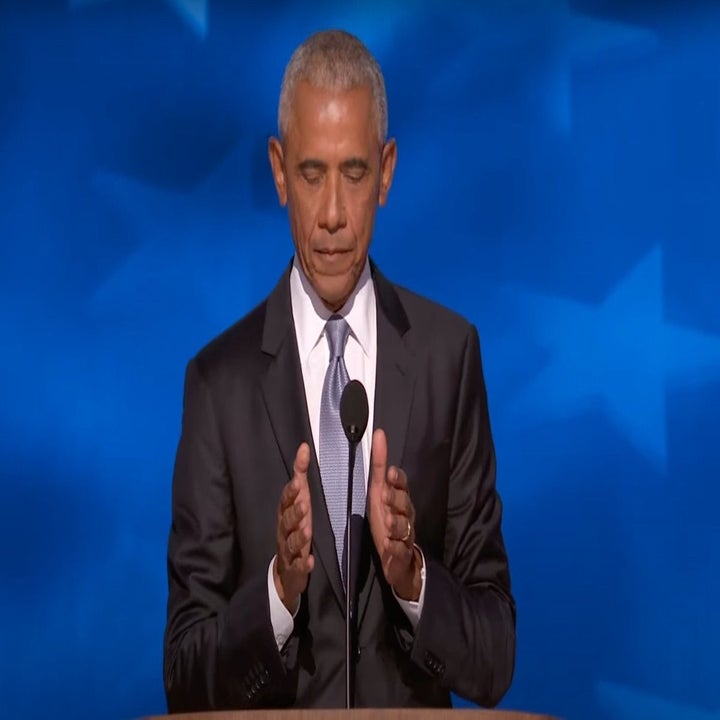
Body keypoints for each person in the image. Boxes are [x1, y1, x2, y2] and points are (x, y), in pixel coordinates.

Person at [163, 29, 515, 711]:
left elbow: (495, 657)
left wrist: (413, 581)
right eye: (310, 173)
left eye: (353, 173)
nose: (330, 216)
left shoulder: (450, 357)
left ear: (385, 172)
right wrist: (277, 593)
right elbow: (183, 674)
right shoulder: (218, 384)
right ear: (277, 171)